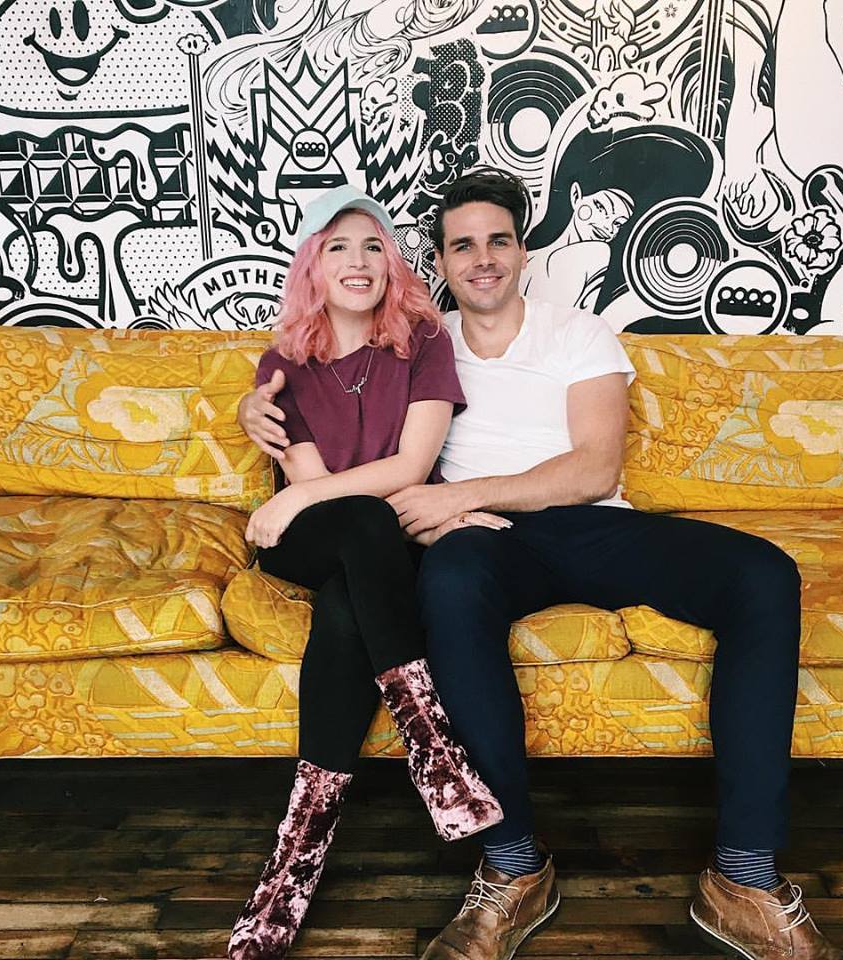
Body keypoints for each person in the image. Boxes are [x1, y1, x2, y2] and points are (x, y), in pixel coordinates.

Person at [240, 170, 843, 960]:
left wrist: (466, 493)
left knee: (763, 573)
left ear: (524, 251)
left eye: (498, 241)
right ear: (438, 262)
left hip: (588, 523)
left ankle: (744, 877)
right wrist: (259, 407)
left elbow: (594, 469)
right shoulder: (417, 338)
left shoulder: (577, 332)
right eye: (463, 246)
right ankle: (514, 866)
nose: (482, 259)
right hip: (481, 542)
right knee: (451, 583)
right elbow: (325, 390)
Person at [228, 184, 508, 960]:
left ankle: (294, 859)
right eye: (338, 247)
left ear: (392, 263)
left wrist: (297, 494)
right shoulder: (281, 364)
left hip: (377, 533)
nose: (358, 261)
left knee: (347, 608)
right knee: (360, 525)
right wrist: (298, 496)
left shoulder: (425, 342)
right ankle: (434, 749)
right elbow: (318, 487)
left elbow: (412, 465)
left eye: (374, 246)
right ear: (312, 265)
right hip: (312, 535)